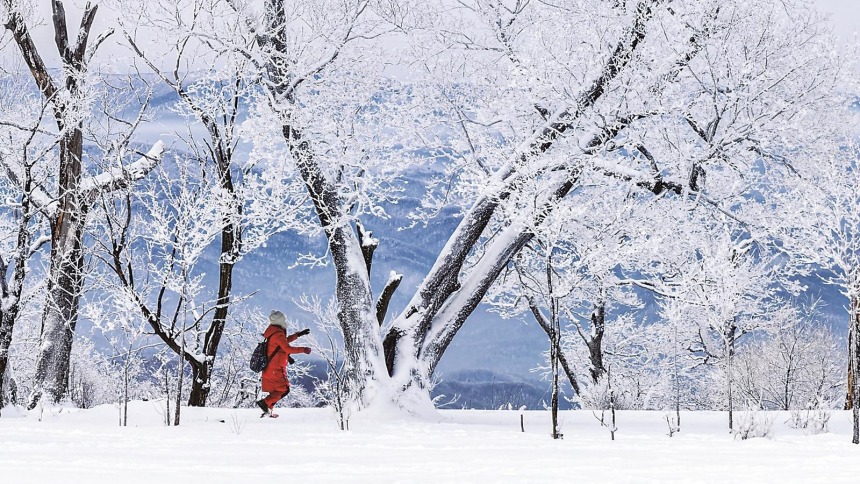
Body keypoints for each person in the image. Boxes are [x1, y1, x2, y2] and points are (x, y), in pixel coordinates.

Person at [256, 310, 311, 418]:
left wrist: (298, 335)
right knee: (285, 389)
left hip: (271, 367)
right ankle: (265, 403)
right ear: (280, 320)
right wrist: (303, 349)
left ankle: (268, 411)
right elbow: (287, 348)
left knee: (276, 392)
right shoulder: (278, 333)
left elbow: (283, 341)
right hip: (275, 368)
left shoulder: (274, 332)